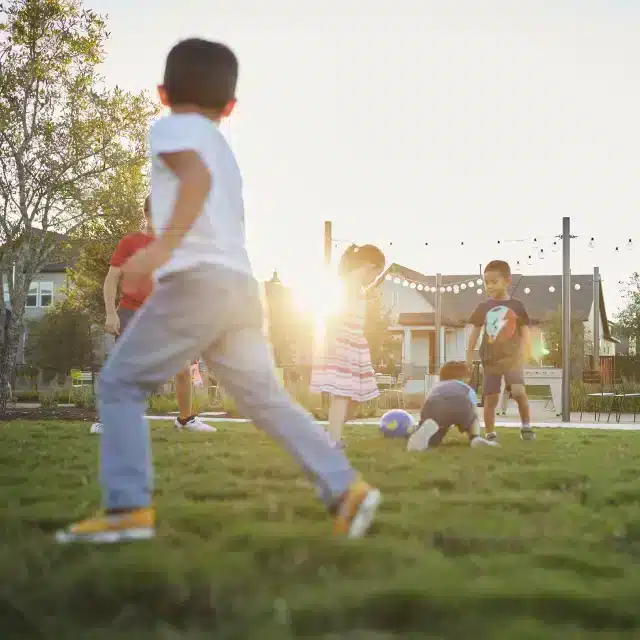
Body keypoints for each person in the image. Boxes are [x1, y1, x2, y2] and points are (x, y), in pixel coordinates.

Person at [55, 39, 380, 544]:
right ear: (230, 108)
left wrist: (158, 252)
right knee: (267, 399)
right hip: (240, 291)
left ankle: (127, 509)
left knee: (119, 385)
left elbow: (194, 180)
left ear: (163, 93)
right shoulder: (226, 153)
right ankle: (345, 488)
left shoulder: (172, 129)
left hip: (198, 284)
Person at [90, 196, 215, 435]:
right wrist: (110, 313)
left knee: (182, 368)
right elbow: (112, 279)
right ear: (146, 215)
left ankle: (185, 420)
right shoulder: (130, 242)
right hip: (132, 312)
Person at [310, 244, 385, 448]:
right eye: (375, 275)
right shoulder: (346, 284)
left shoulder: (356, 287)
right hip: (341, 342)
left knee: (355, 395)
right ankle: (332, 439)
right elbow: (332, 313)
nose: (374, 280)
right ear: (369, 266)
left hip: (354, 343)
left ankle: (329, 434)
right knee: (342, 393)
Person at [466, 260, 534, 442]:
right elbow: (475, 333)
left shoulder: (517, 306)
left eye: (494, 282)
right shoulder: (483, 308)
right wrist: (468, 355)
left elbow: (525, 331)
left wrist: (528, 351)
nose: (489, 286)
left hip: (513, 358)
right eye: (486, 282)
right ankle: (489, 432)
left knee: (519, 392)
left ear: (507, 281)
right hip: (490, 359)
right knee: (491, 398)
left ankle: (526, 427)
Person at [406, 361, 499, 451]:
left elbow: (427, 403)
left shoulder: (437, 386)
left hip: (435, 405)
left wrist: (423, 420)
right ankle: (475, 438)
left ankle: (426, 436)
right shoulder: (466, 388)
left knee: (435, 428)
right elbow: (473, 408)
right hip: (462, 403)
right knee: (473, 419)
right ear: (465, 378)